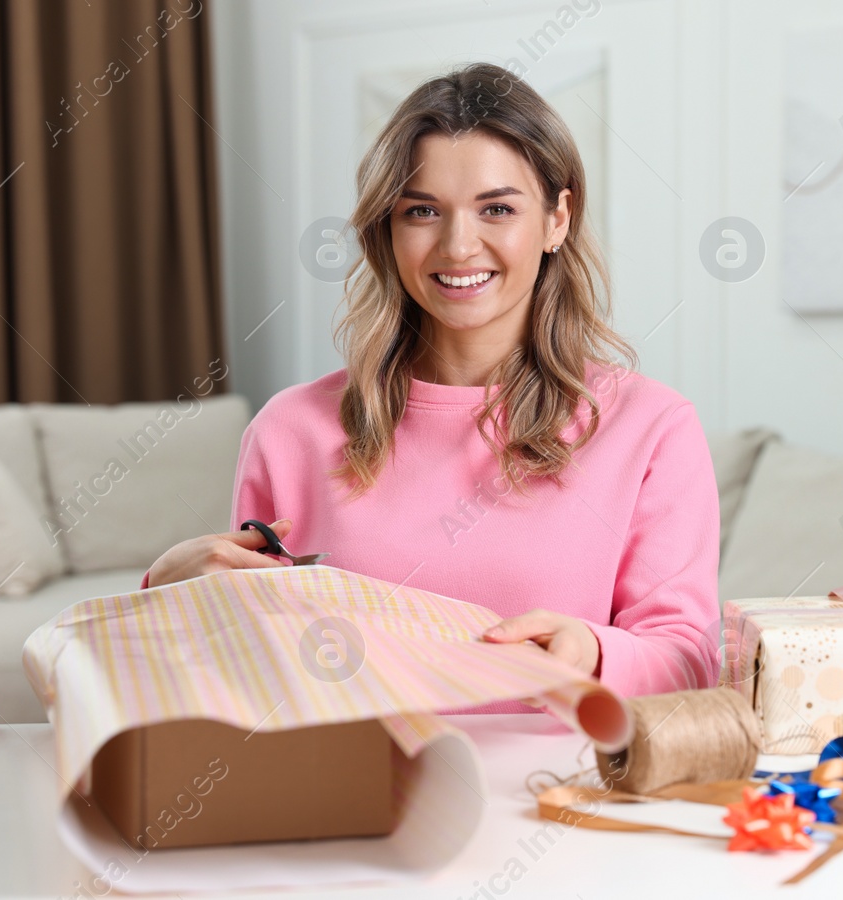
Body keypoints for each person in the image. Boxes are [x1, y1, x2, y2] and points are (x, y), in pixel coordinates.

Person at [145, 62, 720, 709]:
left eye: (496, 208)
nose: (458, 244)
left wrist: (593, 651)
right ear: (386, 231)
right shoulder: (289, 431)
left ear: (559, 217)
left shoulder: (651, 428)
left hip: (561, 797)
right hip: (351, 795)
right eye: (422, 211)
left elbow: (689, 658)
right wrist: (165, 598)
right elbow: (248, 666)